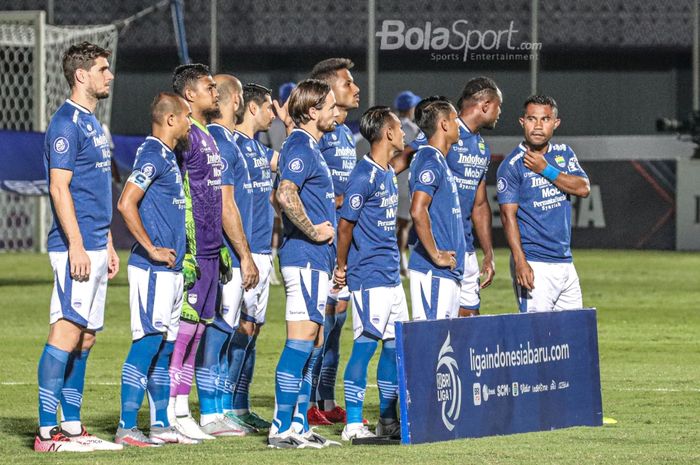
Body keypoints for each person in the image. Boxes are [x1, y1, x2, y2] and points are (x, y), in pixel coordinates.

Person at [36, 41, 122, 453]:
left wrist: (105, 241)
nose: (109, 75)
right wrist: (76, 245)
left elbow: (95, 188)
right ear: (81, 75)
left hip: (93, 242)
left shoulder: (93, 124)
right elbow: (59, 187)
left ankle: (71, 427)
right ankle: (45, 432)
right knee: (66, 330)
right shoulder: (66, 123)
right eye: (103, 69)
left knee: (86, 337)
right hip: (74, 246)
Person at [115, 92, 200, 446]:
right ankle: (126, 426)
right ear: (170, 120)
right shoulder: (152, 153)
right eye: (185, 117)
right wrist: (150, 248)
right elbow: (125, 202)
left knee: (165, 347)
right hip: (152, 270)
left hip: (172, 270)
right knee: (147, 344)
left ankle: (161, 424)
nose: (189, 124)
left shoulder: (168, 154)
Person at [268, 79, 340, 449]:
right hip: (304, 258)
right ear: (312, 111)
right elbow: (284, 192)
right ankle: (281, 428)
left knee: (311, 342)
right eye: (330, 106)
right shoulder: (299, 143)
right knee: (300, 342)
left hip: (316, 260)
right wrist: (312, 232)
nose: (335, 113)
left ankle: (298, 425)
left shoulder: (309, 144)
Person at [168, 63, 235, 440]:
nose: (217, 93)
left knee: (197, 333)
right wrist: (189, 247)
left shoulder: (207, 135)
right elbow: (179, 195)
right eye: (210, 87)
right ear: (190, 94)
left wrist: (220, 245)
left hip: (212, 251)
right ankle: (173, 411)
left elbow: (212, 198)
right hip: (193, 252)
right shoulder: (185, 136)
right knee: (183, 332)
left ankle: (183, 409)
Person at [334, 106, 408, 441]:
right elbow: (345, 226)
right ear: (388, 133)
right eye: (400, 128)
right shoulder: (363, 176)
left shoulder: (387, 171)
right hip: (369, 276)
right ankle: (352, 424)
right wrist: (342, 267)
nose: (404, 133)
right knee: (365, 346)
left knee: (394, 348)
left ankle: (387, 421)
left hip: (392, 275)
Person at [406, 77, 501, 316]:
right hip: (437, 248)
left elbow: (480, 205)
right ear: (486, 105)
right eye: (499, 106)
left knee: (466, 329)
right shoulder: (442, 131)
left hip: (464, 248)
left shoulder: (481, 147)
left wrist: (488, 253)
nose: (501, 112)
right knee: (435, 334)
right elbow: (400, 161)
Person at [199, 74, 258, 437]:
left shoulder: (230, 141)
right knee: (219, 332)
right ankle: (210, 412)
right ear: (235, 100)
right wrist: (244, 255)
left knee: (226, 330)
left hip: (232, 253)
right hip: (225, 255)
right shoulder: (219, 141)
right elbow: (225, 204)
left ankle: (220, 409)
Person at [497, 95, 590, 312]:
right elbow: (507, 217)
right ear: (522, 122)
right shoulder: (512, 165)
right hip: (534, 262)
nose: (538, 126)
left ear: (555, 123)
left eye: (545, 119)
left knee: (572, 336)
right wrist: (520, 261)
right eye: (532, 119)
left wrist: (545, 169)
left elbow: (583, 188)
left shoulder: (564, 154)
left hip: (565, 262)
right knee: (537, 338)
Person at [307, 58, 361, 425]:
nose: (355, 88)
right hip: (322, 244)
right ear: (329, 89)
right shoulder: (318, 133)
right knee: (317, 328)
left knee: (336, 327)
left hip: (344, 244)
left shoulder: (343, 133)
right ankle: (308, 402)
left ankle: (326, 401)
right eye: (348, 83)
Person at [226, 83, 280, 431]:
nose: (273, 115)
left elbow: (286, 163)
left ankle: (241, 407)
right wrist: (244, 254)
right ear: (253, 108)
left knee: (253, 329)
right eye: (269, 109)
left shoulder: (259, 149)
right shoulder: (232, 146)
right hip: (240, 254)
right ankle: (223, 406)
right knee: (233, 330)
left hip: (262, 252)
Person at [408, 97, 465, 320]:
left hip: (445, 272)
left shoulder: (438, 159)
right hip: (433, 271)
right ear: (443, 124)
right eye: (455, 119)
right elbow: (417, 210)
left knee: (443, 348)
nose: (459, 124)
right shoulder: (429, 159)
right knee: (431, 347)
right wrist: (435, 254)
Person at [393, 91, 421, 278]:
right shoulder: (414, 129)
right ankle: (402, 265)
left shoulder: (392, 126)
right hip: (406, 183)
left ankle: (399, 263)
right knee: (404, 226)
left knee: (394, 225)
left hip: (392, 181)